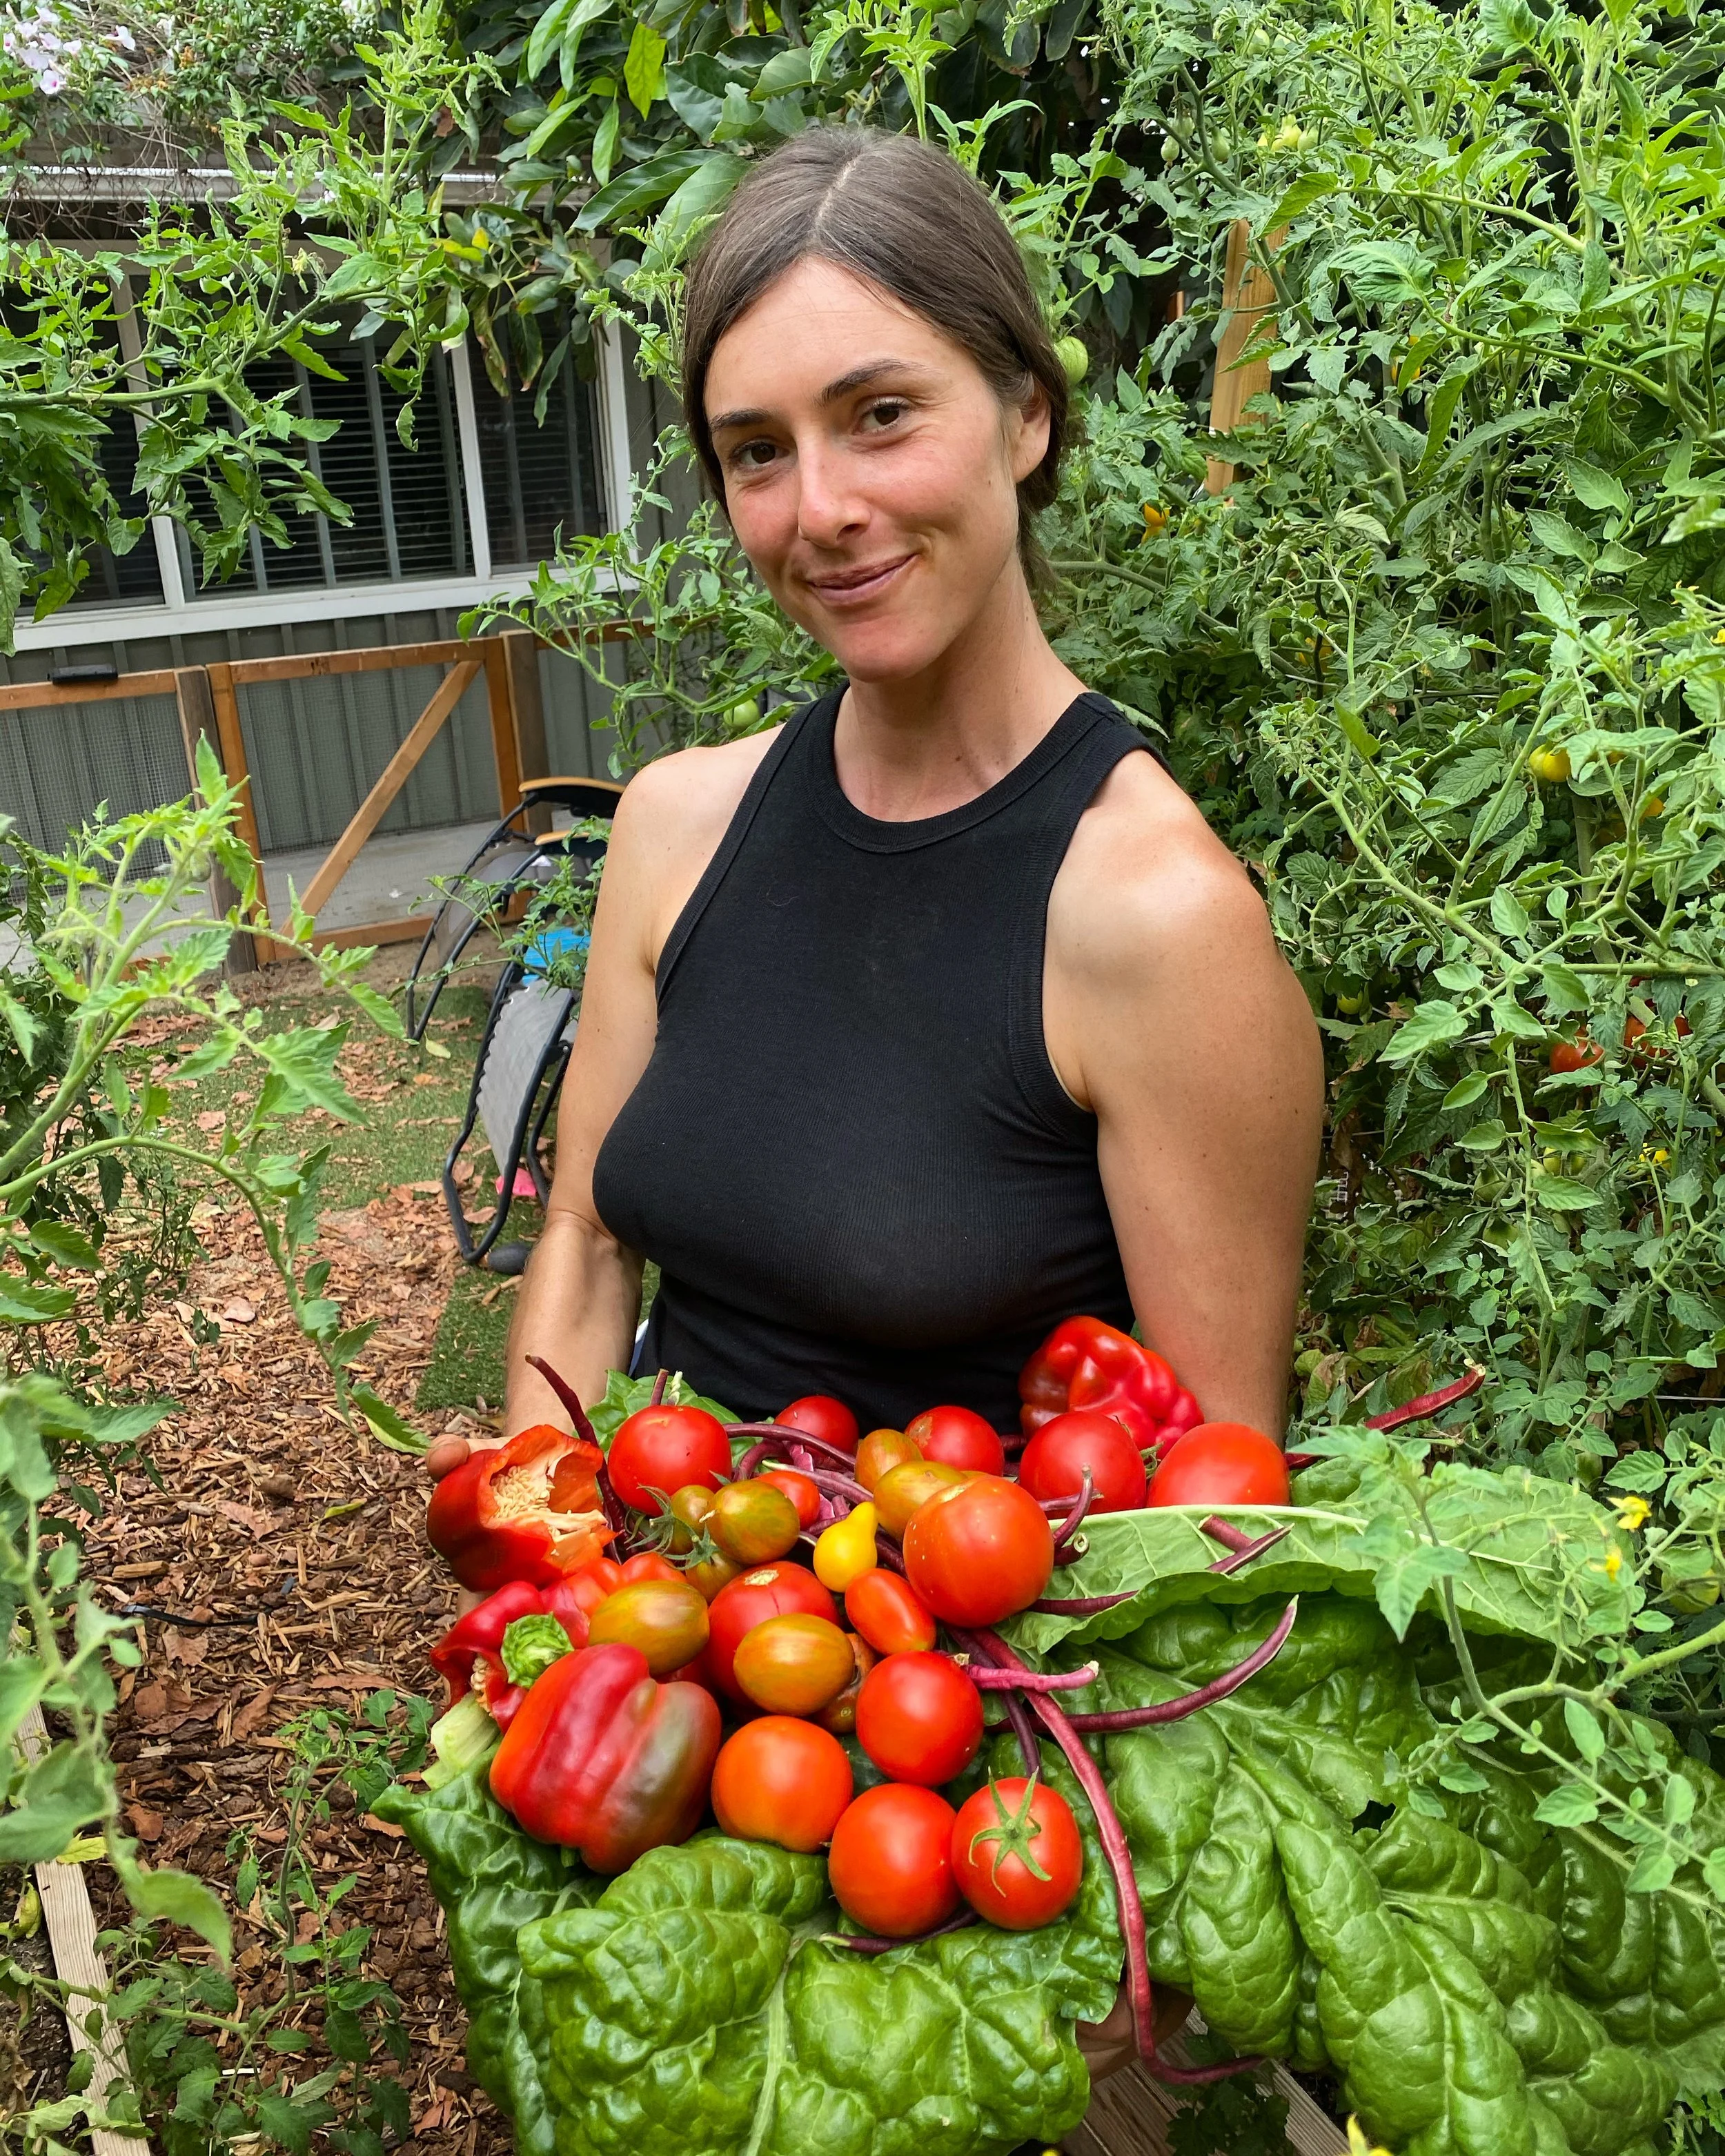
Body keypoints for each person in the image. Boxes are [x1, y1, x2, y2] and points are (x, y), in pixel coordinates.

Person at [425, 123, 1322, 1480]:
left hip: (953, 1667)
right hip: (640, 1644)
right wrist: (535, 1532)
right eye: (755, 452)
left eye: (879, 414)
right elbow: (588, 1240)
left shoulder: (1152, 916)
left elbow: (1208, 1503)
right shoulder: (674, 826)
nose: (819, 508)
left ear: (1024, 412)